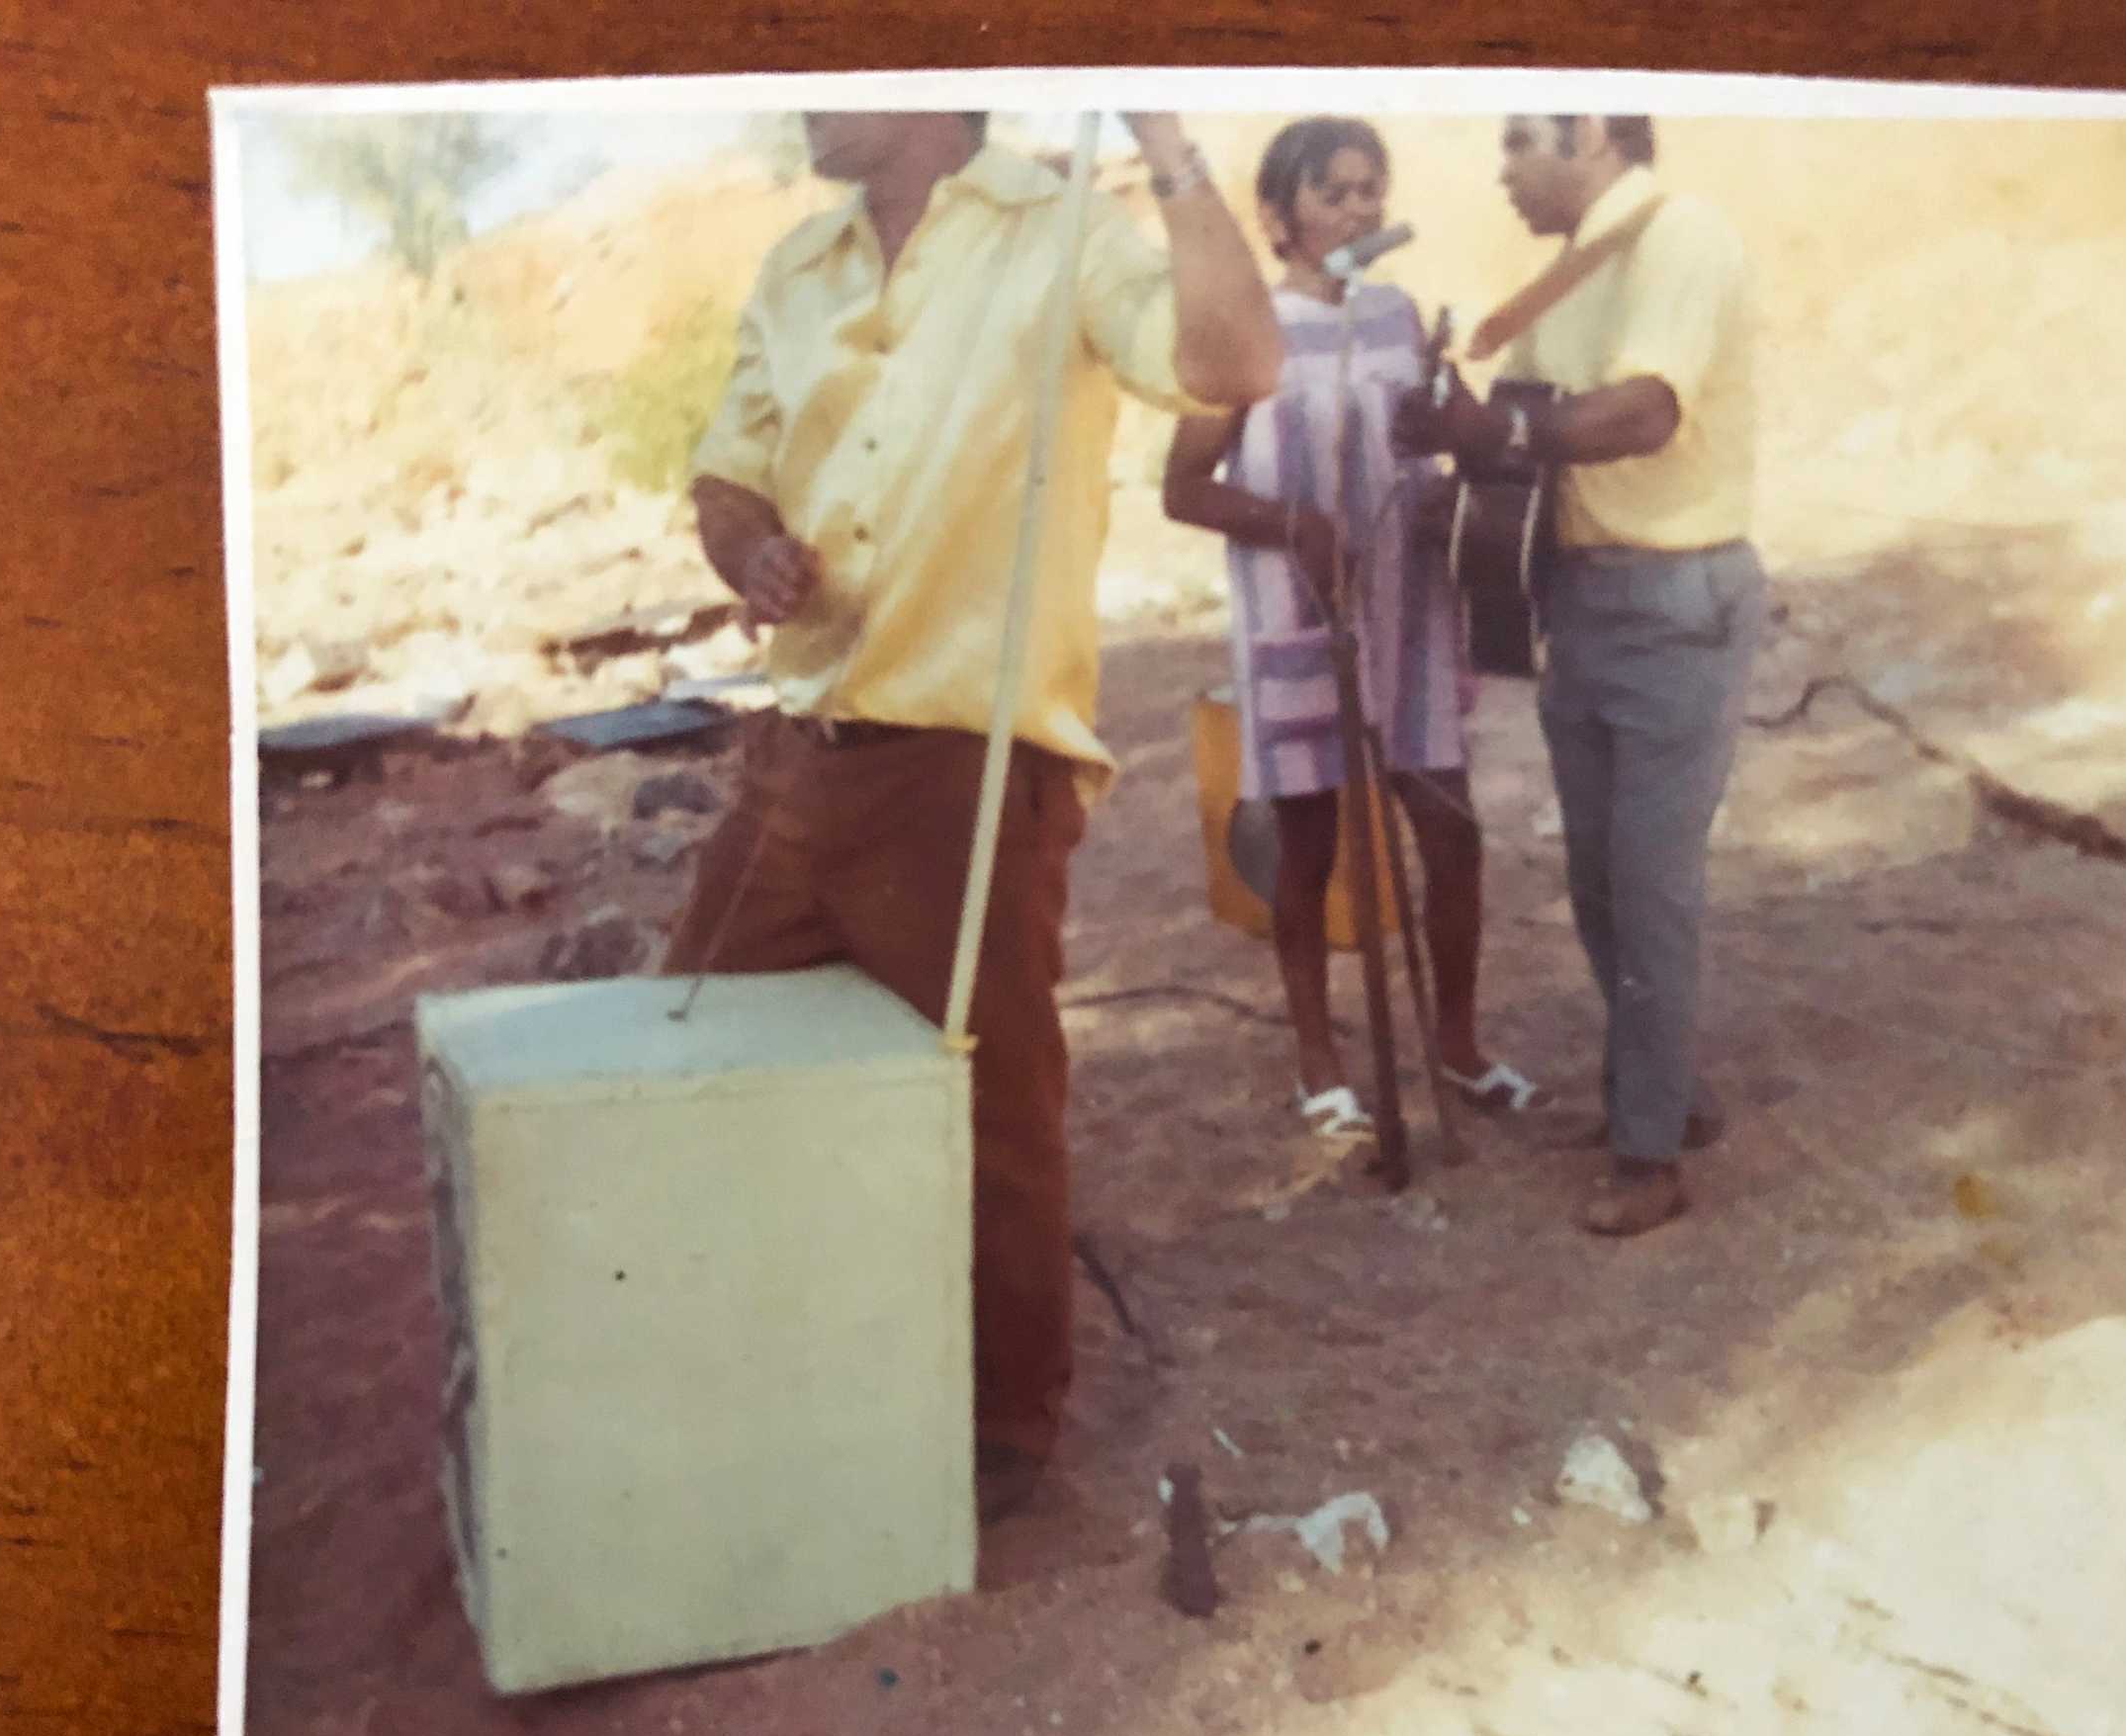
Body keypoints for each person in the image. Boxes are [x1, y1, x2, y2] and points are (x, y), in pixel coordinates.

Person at [665, 110, 1284, 1516]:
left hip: (971, 762)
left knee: (989, 1104)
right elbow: (727, 469)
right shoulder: (798, 264)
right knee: (686, 1061)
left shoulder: (1065, 231)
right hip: (797, 748)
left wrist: (1165, 140)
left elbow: (1238, 364)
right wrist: (747, 549)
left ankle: (1007, 1430)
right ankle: (766, 1376)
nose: (806, 94)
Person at [1396, 114, 1764, 1238]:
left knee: (1647, 885)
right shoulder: (1567, 277)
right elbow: (1512, 423)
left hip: (1673, 601)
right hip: (1585, 601)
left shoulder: (1680, 238)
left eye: (1521, 142)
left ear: (1597, 132)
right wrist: (1448, 427)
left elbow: (1644, 412)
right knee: (1602, 883)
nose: (1500, 169)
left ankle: (1649, 1155)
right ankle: (1665, 1098)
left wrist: (1492, 437)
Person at [1161, 117, 1539, 1142]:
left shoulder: (1399, 316)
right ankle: (1319, 1058)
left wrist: (1445, 439)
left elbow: (1462, 438)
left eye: (1372, 189)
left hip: (1407, 614)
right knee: (1309, 844)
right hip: (1301, 614)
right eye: (1336, 192)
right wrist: (1296, 524)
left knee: (1451, 835)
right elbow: (1182, 489)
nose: (1362, 209)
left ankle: (1457, 1047)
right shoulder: (1248, 330)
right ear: (1278, 218)